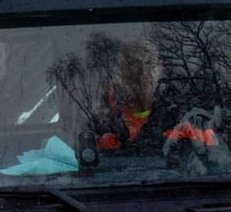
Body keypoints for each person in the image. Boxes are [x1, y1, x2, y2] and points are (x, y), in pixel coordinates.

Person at [80, 38, 216, 156]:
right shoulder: (101, 123)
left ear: (158, 72)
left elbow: (215, 156)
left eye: (147, 65)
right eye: (131, 64)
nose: (140, 73)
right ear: (121, 74)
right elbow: (76, 169)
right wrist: (101, 147)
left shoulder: (185, 118)